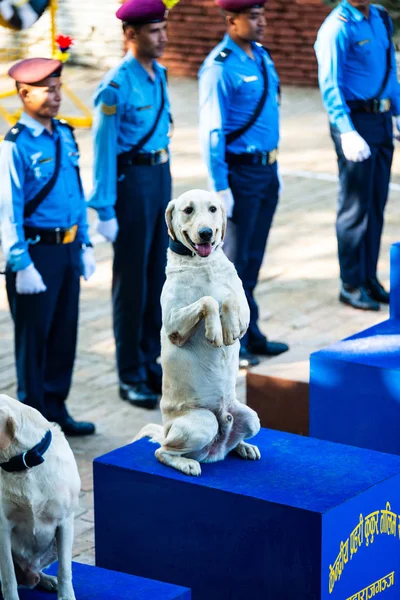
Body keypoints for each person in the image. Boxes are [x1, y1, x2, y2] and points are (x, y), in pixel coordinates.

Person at [0, 57, 96, 436]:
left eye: (59, 88)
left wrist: (84, 242)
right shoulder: (14, 146)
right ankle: (31, 422)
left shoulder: (65, 133)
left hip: (67, 248)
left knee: (63, 333)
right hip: (36, 254)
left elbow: (76, 191)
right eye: (47, 90)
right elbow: (8, 209)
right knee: (33, 339)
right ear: (24, 94)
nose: (57, 97)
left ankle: (57, 408)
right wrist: (20, 262)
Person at [89, 0, 174, 409]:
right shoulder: (116, 85)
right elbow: (102, 150)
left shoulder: (159, 75)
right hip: (131, 184)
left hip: (160, 178)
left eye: (163, 29)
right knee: (132, 283)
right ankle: (129, 374)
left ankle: (149, 360)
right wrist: (104, 208)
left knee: (158, 276)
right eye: (154, 31)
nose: (163, 37)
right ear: (130, 34)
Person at [198, 0, 289, 369]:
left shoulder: (261, 56)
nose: (262, 22)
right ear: (231, 21)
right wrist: (220, 186)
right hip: (239, 175)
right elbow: (212, 129)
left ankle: (250, 331)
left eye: (262, 14)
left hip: (266, 172)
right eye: (253, 17)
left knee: (252, 260)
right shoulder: (218, 67)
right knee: (232, 265)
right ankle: (229, 344)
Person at [315, 0, 400, 310]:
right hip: (354, 122)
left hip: (381, 120)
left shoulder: (378, 16)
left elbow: (391, 67)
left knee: (376, 202)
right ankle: (350, 284)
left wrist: (398, 110)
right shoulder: (336, 27)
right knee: (355, 207)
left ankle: (368, 277)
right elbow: (330, 85)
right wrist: (346, 130)